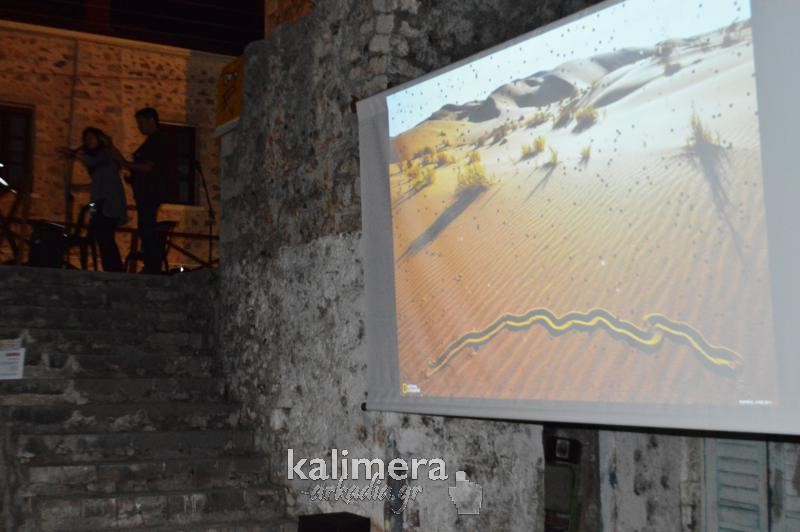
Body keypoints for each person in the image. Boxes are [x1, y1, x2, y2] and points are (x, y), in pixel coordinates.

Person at [58, 128, 127, 272]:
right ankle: (109, 269)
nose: (88, 141)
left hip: (109, 204)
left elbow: (96, 163)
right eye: (86, 139)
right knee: (100, 237)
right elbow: (97, 185)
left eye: (91, 138)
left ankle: (115, 270)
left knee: (106, 237)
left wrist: (74, 154)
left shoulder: (105, 155)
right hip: (97, 203)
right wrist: (79, 188)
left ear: (98, 139)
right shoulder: (96, 164)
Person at [116, 107, 168, 274]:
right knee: (145, 227)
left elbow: (148, 167)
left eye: (140, 123)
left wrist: (126, 164)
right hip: (146, 192)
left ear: (151, 120)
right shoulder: (154, 141)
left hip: (150, 193)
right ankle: (150, 264)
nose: (139, 127)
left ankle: (151, 266)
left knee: (147, 228)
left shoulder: (157, 141)